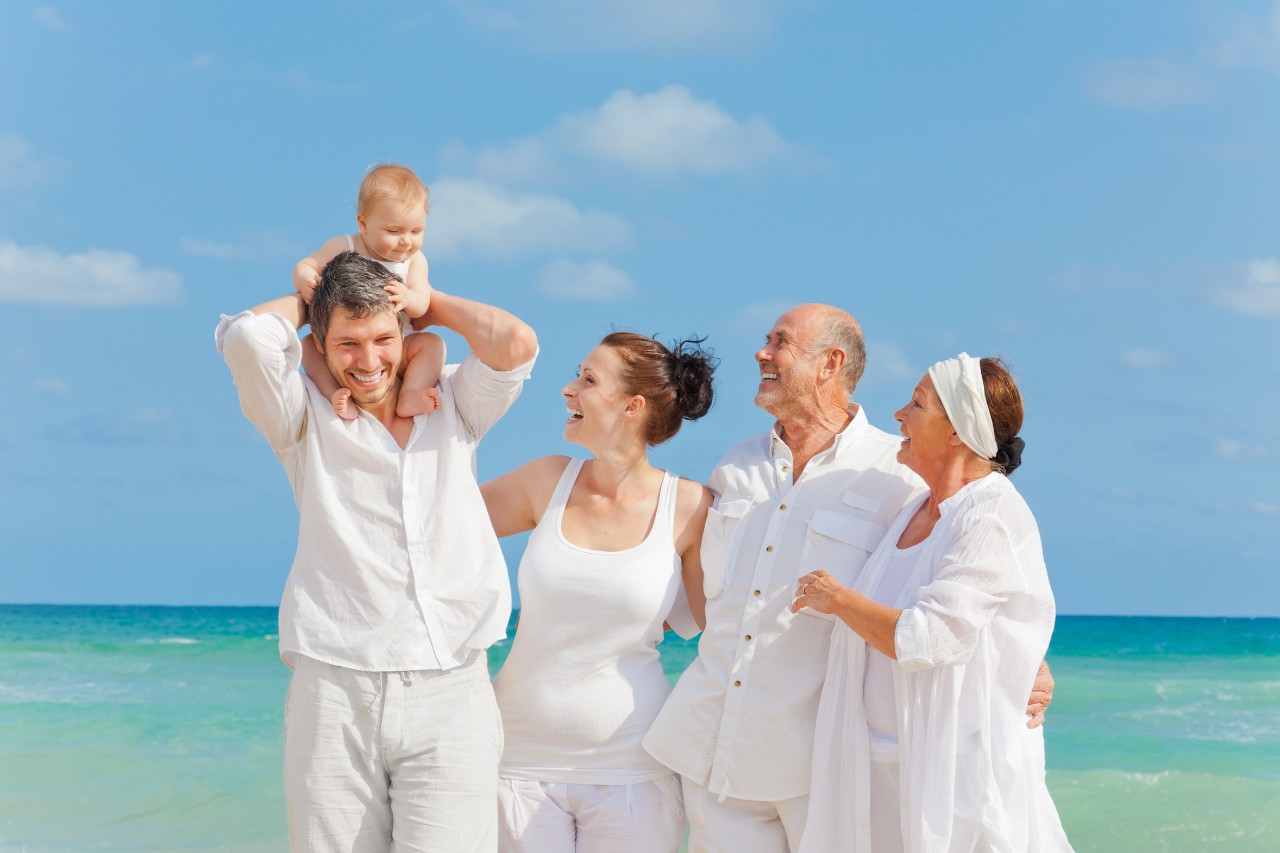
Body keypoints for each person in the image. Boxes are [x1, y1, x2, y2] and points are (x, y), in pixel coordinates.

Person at [642, 305, 1055, 853]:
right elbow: (690, 591)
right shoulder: (735, 466)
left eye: (780, 342)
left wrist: (1025, 663)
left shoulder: (899, 473)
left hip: (822, 768)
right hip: (712, 753)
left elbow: (960, 579)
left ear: (829, 363)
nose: (761, 353)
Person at [216, 250, 538, 852]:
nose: (369, 363)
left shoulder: (454, 402)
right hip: (334, 691)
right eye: (347, 345)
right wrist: (309, 298)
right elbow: (246, 340)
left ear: (404, 331)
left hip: (452, 690)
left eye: (383, 338)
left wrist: (424, 301)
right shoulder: (301, 416)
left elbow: (516, 344)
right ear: (319, 341)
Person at [794, 354, 1072, 852]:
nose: (898, 413)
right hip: (880, 766)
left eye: (917, 404)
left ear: (958, 433)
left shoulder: (990, 515)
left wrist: (837, 599)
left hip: (954, 775)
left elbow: (931, 638)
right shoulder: (909, 510)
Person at [481, 332, 716, 852]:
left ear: (632, 406)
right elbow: (433, 522)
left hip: (634, 769)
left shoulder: (692, 506)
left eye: (588, 380)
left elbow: (722, 638)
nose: (568, 389)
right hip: (516, 762)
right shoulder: (545, 481)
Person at [293, 163, 445, 420]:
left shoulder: (414, 261)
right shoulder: (345, 246)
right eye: (393, 231)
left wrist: (408, 297)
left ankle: (411, 392)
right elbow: (305, 265)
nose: (406, 240)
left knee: (432, 344)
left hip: (400, 344)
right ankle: (333, 393)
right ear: (363, 224)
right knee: (308, 346)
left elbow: (422, 303)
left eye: (416, 231)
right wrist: (307, 279)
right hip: (349, 347)